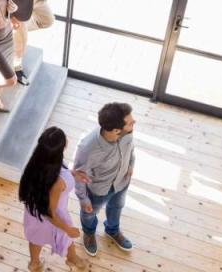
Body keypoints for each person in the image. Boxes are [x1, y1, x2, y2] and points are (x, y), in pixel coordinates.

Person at [20, 127, 92, 271]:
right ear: (64, 146)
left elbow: (55, 171)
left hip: (34, 213)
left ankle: (34, 264)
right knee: (67, 238)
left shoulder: (36, 162)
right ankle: (72, 259)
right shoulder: (58, 182)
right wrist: (68, 229)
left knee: (35, 239)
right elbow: (50, 213)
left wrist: (73, 174)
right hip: (55, 216)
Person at [73, 102, 136, 256]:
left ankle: (112, 230)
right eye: (130, 121)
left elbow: (131, 148)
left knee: (117, 207)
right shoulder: (88, 148)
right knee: (89, 213)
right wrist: (83, 199)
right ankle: (88, 233)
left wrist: (131, 165)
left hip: (121, 183)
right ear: (116, 130)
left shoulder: (126, 132)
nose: (134, 122)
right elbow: (78, 174)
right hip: (99, 190)